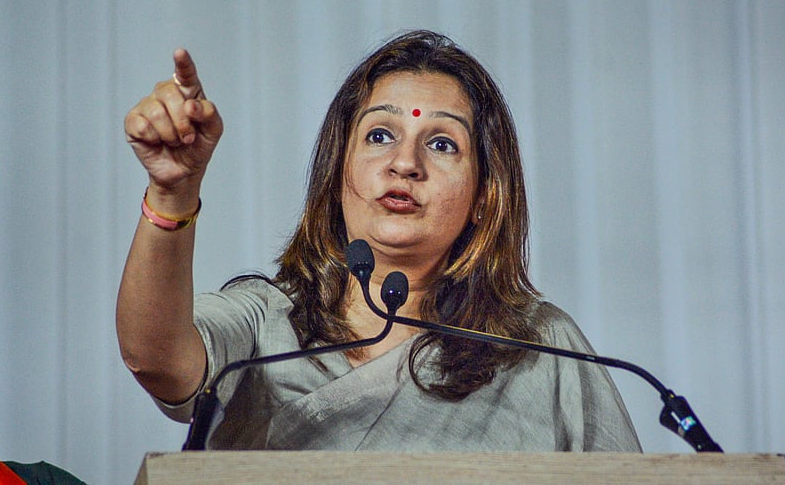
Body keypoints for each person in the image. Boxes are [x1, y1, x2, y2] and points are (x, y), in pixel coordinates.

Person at [118, 30, 641, 451]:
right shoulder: (266, 323)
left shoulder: (537, 349)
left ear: (485, 194)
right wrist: (172, 192)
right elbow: (156, 360)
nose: (405, 163)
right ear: (339, 169)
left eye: (441, 143)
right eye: (380, 135)